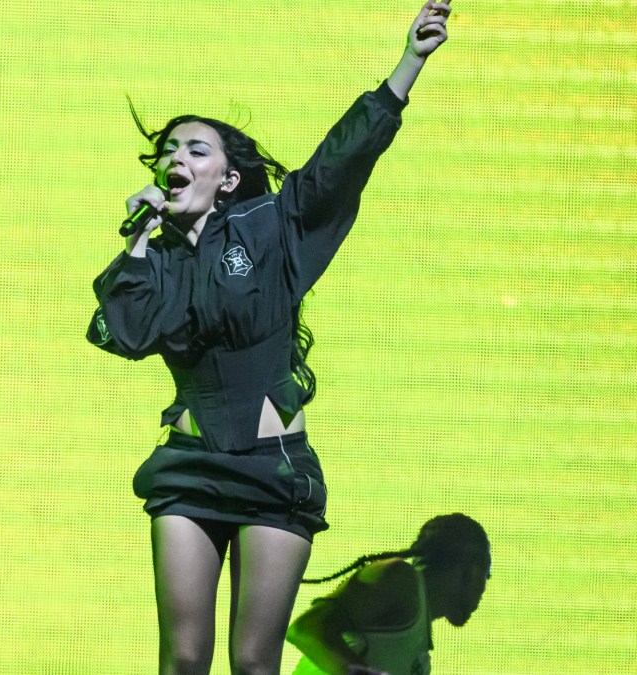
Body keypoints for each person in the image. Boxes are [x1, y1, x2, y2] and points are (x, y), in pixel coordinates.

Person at [86, 4, 453, 673]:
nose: (176, 158)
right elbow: (125, 330)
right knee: (182, 659)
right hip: (190, 468)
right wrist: (139, 234)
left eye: (196, 149)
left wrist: (408, 65)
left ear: (227, 179)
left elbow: (335, 166)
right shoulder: (158, 261)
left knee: (254, 661)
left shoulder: (268, 227)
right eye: (169, 149)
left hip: (273, 468)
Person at [287, 514, 491, 675]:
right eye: (486, 575)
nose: (483, 589)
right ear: (470, 570)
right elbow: (305, 629)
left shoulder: (420, 644)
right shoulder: (401, 580)